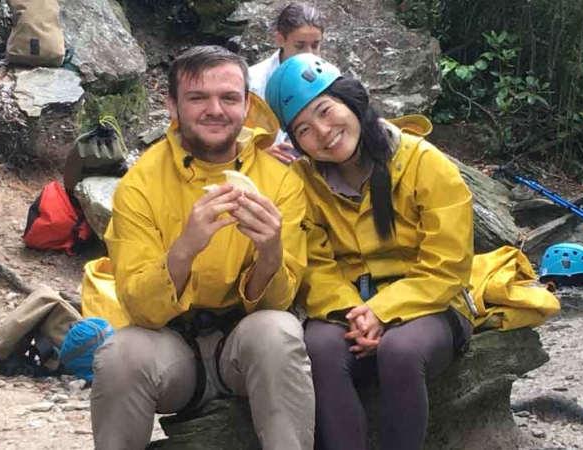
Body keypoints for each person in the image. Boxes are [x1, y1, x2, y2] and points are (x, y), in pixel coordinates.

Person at [91, 45, 314, 450]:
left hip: (242, 351)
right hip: (171, 351)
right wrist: (186, 247)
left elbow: (280, 304)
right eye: (198, 98)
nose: (215, 109)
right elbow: (139, 307)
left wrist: (270, 253)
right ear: (173, 106)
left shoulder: (279, 182)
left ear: (247, 106)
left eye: (229, 98)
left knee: (278, 331)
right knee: (119, 352)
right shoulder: (140, 184)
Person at [266, 53, 476, 450]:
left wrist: (384, 311)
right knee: (319, 346)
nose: (324, 132)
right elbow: (314, 267)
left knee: (400, 349)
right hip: (348, 308)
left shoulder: (423, 162)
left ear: (351, 99)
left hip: (432, 306)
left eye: (326, 111)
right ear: (296, 143)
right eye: (305, 130)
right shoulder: (302, 182)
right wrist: (357, 316)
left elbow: (447, 266)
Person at [249, 2, 324, 164]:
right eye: (300, 45)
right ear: (280, 40)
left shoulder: (329, 77)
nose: (309, 54)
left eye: (315, 45)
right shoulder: (253, 80)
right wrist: (258, 154)